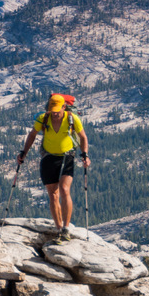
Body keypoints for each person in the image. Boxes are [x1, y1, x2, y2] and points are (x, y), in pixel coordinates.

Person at [16, 94, 90, 241]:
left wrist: (84, 154)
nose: (55, 113)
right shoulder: (43, 118)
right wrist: (24, 152)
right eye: (52, 110)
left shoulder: (72, 119)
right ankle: (58, 228)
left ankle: (66, 228)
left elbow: (83, 137)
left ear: (64, 107)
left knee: (64, 190)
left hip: (67, 156)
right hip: (48, 157)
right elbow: (32, 135)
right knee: (53, 195)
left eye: (57, 110)